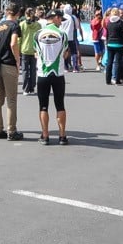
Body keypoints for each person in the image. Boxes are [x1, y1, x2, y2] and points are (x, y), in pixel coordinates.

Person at [36, 8, 69, 145]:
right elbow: (66, 53)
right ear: (54, 17)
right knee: (60, 105)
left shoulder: (37, 34)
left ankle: (45, 135)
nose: (61, 22)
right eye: (60, 19)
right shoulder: (63, 34)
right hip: (58, 74)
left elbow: (36, 53)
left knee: (43, 106)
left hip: (43, 74)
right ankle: (62, 136)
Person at [0, 4, 22, 140]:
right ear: (17, 14)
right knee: (12, 99)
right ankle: (12, 130)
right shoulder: (14, 26)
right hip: (9, 64)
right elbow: (13, 43)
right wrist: (17, 60)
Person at [19, 7, 42, 95]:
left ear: (25, 14)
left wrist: (19, 49)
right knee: (33, 70)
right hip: (34, 49)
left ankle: (25, 89)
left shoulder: (22, 24)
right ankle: (32, 88)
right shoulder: (38, 25)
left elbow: (19, 39)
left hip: (24, 49)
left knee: (25, 70)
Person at [104, 8, 123, 85]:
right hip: (119, 44)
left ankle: (108, 80)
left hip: (110, 44)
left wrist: (107, 42)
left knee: (109, 62)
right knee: (118, 62)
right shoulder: (121, 23)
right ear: (118, 14)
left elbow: (107, 34)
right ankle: (117, 80)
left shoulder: (109, 23)